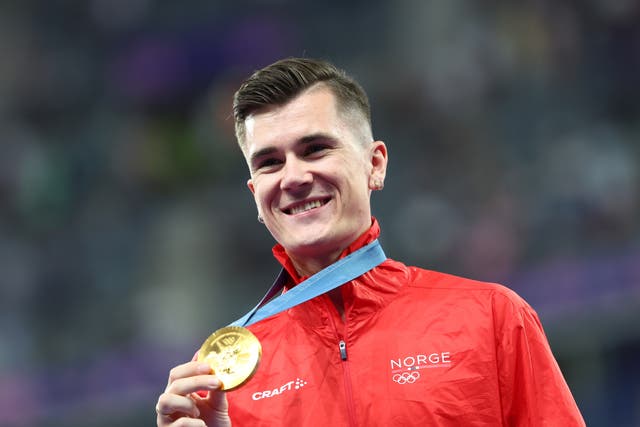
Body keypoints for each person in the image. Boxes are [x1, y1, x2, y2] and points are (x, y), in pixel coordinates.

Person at [155, 57, 585, 426]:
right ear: (256, 194)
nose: (294, 177)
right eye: (269, 162)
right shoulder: (221, 381)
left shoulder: (491, 318)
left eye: (316, 149)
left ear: (374, 165)